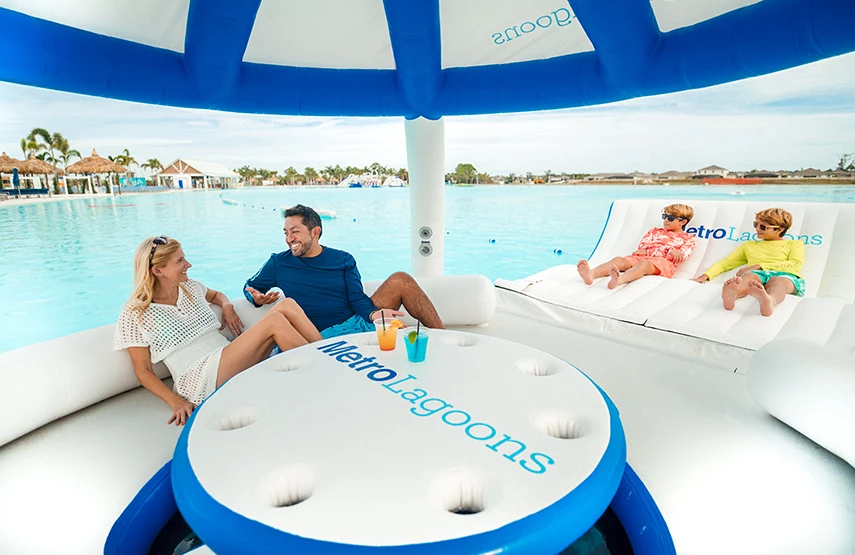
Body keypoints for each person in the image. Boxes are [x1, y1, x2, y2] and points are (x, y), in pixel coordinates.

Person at [114, 236, 322, 426]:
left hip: (224, 358)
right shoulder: (135, 313)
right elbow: (143, 371)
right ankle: (323, 374)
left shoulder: (191, 287)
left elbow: (216, 295)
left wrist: (227, 306)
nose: (188, 265)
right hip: (198, 379)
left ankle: (328, 354)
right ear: (158, 271)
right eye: (179, 261)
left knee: (288, 305)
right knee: (275, 320)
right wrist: (176, 402)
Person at [244, 204, 444, 339]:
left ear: (315, 232)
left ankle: (445, 337)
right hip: (316, 335)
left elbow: (356, 297)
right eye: (286, 233)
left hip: (355, 323)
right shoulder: (278, 262)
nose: (289, 239)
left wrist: (373, 314)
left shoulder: (342, 259)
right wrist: (256, 298)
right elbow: (250, 286)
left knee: (401, 279)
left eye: (295, 232)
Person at [692, 208, 805, 316]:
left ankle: (770, 300)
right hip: (758, 275)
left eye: (763, 227)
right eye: (756, 224)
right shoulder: (749, 246)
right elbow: (726, 263)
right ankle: (732, 296)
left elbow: (795, 263)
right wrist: (705, 276)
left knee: (777, 281)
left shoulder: (794, 244)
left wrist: (759, 266)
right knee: (748, 277)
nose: (757, 229)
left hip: (785, 275)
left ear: (779, 229)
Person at [577, 203, 697, 289]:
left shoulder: (688, 238)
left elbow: (681, 257)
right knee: (619, 260)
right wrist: (669, 250)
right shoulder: (655, 231)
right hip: (644, 258)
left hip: (663, 264)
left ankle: (620, 280)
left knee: (644, 264)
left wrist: (651, 251)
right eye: (664, 217)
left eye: (670, 218)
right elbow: (642, 247)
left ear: (683, 222)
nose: (665, 220)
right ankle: (592, 274)